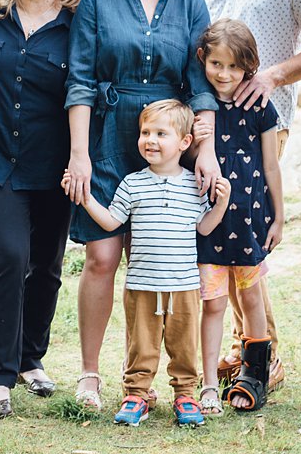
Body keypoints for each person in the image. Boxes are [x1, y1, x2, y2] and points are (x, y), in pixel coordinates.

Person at [62, 0, 219, 412]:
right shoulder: (97, 1)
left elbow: (200, 87)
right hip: (110, 133)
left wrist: (206, 151)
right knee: (103, 255)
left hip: (169, 138)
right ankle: (90, 375)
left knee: (158, 262)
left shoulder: (191, 2)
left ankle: (156, 381)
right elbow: (81, 80)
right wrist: (80, 154)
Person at [189, 0, 301, 387]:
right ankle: (250, 348)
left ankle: (261, 353)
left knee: (247, 234)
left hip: (262, 122)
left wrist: (273, 76)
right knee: (221, 240)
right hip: (205, 124)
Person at [0, 0, 85, 418]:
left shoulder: (81, 18)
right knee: (9, 255)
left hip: (57, 161)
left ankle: (30, 359)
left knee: (47, 264)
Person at [66, 100, 231, 428]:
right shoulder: (133, 183)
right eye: (145, 133)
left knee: (183, 346)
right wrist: (86, 199)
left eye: (160, 133)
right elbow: (112, 222)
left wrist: (221, 203)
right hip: (142, 284)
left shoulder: (193, 185)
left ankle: (185, 394)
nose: (150, 140)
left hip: (183, 285)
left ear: (184, 143)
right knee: (142, 344)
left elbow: (204, 227)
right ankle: (137, 395)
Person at [192, 20, 283, 414]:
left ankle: (254, 376)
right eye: (216, 64)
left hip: (250, 218)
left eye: (234, 67)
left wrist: (278, 217)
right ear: (203, 60)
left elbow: (271, 164)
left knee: (250, 297)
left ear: (249, 67)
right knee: (212, 302)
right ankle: (210, 380)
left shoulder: (260, 105)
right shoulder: (198, 107)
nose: (224, 74)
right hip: (210, 221)